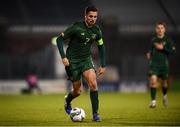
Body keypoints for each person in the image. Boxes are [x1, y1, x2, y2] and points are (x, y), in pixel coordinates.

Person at [56, 6, 106, 121]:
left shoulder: (97, 31)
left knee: (93, 84)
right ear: (85, 16)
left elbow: (101, 47)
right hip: (72, 62)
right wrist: (63, 57)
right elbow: (59, 40)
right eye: (90, 16)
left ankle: (95, 114)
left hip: (86, 60)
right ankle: (67, 100)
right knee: (78, 91)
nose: (93, 19)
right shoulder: (76, 27)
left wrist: (103, 64)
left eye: (95, 17)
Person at [146, 21, 175, 108]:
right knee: (153, 81)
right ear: (156, 29)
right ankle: (153, 102)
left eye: (161, 28)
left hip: (164, 65)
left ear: (164, 29)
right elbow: (150, 51)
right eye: (158, 28)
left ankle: (165, 96)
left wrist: (164, 48)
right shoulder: (153, 40)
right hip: (154, 64)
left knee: (164, 83)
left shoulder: (168, 40)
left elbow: (172, 51)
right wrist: (149, 54)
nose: (160, 30)